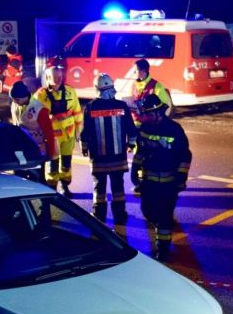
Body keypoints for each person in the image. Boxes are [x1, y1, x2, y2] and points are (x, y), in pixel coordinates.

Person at [131, 94, 191, 261]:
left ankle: (162, 249)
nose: (148, 117)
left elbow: (185, 155)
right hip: (149, 182)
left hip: (168, 183)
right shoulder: (144, 128)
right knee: (147, 211)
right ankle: (160, 230)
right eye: (146, 114)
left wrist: (181, 177)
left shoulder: (174, 129)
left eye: (150, 114)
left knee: (165, 216)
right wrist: (134, 170)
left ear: (158, 112)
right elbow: (140, 152)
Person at [81, 73, 137, 223]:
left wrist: (84, 147)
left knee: (99, 187)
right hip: (118, 157)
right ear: (113, 88)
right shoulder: (122, 106)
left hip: (98, 157)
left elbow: (85, 131)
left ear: (96, 89)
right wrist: (131, 144)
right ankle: (120, 214)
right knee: (118, 186)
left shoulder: (90, 107)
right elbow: (131, 129)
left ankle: (99, 215)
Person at [34, 63, 83, 197]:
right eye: (55, 76)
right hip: (51, 136)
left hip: (68, 135)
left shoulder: (70, 91)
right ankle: (52, 191)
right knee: (52, 166)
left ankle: (65, 187)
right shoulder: (40, 95)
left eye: (60, 76)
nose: (58, 79)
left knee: (66, 163)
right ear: (48, 77)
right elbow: (33, 117)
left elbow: (77, 112)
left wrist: (80, 130)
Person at [8, 80, 56, 183]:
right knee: (19, 178)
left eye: (16, 100)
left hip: (36, 150)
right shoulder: (15, 105)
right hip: (20, 150)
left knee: (37, 179)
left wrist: (50, 153)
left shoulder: (39, 109)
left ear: (22, 98)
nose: (14, 102)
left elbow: (49, 133)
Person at [131, 59, 172, 125]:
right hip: (135, 123)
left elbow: (164, 105)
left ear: (143, 71)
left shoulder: (156, 86)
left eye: (135, 70)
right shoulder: (133, 85)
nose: (134, 72)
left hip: (150, 125)